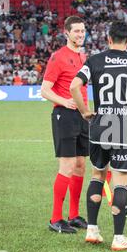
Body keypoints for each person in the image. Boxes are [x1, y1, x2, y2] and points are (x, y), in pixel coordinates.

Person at [69, 20, 127, 251]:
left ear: (108, 39)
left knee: (97, 175)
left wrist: (85, 111)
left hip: (99, 126)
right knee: (121, 182)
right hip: (122, 128)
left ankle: (92, 230)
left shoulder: (93, 60)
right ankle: (118, 237)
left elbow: (75, 86)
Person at [41, 16, 89, 233]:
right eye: (76, 31)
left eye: (82, 31)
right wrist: (65, 101)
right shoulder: (58, 57)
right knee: (67, 166)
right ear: (66, 33)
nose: (80, 34)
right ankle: (55, 219)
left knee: (80, 165)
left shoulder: (83, 56)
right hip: (64, 115)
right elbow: (45, 89)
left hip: (82, 115)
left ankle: (73, 215)